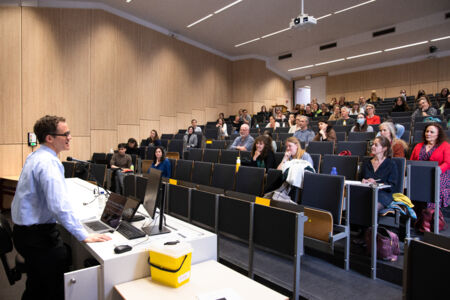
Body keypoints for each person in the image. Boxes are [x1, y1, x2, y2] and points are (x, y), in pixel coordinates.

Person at [11, 115, 111, 300]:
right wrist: (83, 234)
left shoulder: (35, 155)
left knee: (36, 285)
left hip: (24, 234)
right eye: (66, 133)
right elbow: (58, 206)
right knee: (53, 288)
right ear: (50, 138)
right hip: (38, 237)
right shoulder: (49, 163)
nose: (70, 137)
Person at [410, 123, 449, 208]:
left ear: (438, 134)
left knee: (431, 187)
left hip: (439, 174)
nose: (428, 134)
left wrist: (438, 170)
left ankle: (429, 213)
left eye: (432, 132)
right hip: (420, 174)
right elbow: (412, 161)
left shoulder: (445, 145)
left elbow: (447, 163)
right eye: (427, 131)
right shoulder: (418, 146)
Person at [361, 136, 398, 211]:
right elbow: (360, 178)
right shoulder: (366, 162)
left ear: (384, 148)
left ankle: (372, 222)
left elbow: (392, 185)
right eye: (373, 144)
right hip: (367, 192)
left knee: (372, 207)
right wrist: (363, 181)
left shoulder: (391, 164)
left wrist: (376, 184)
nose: (373, 146)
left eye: (376, 145)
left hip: (383, 194)